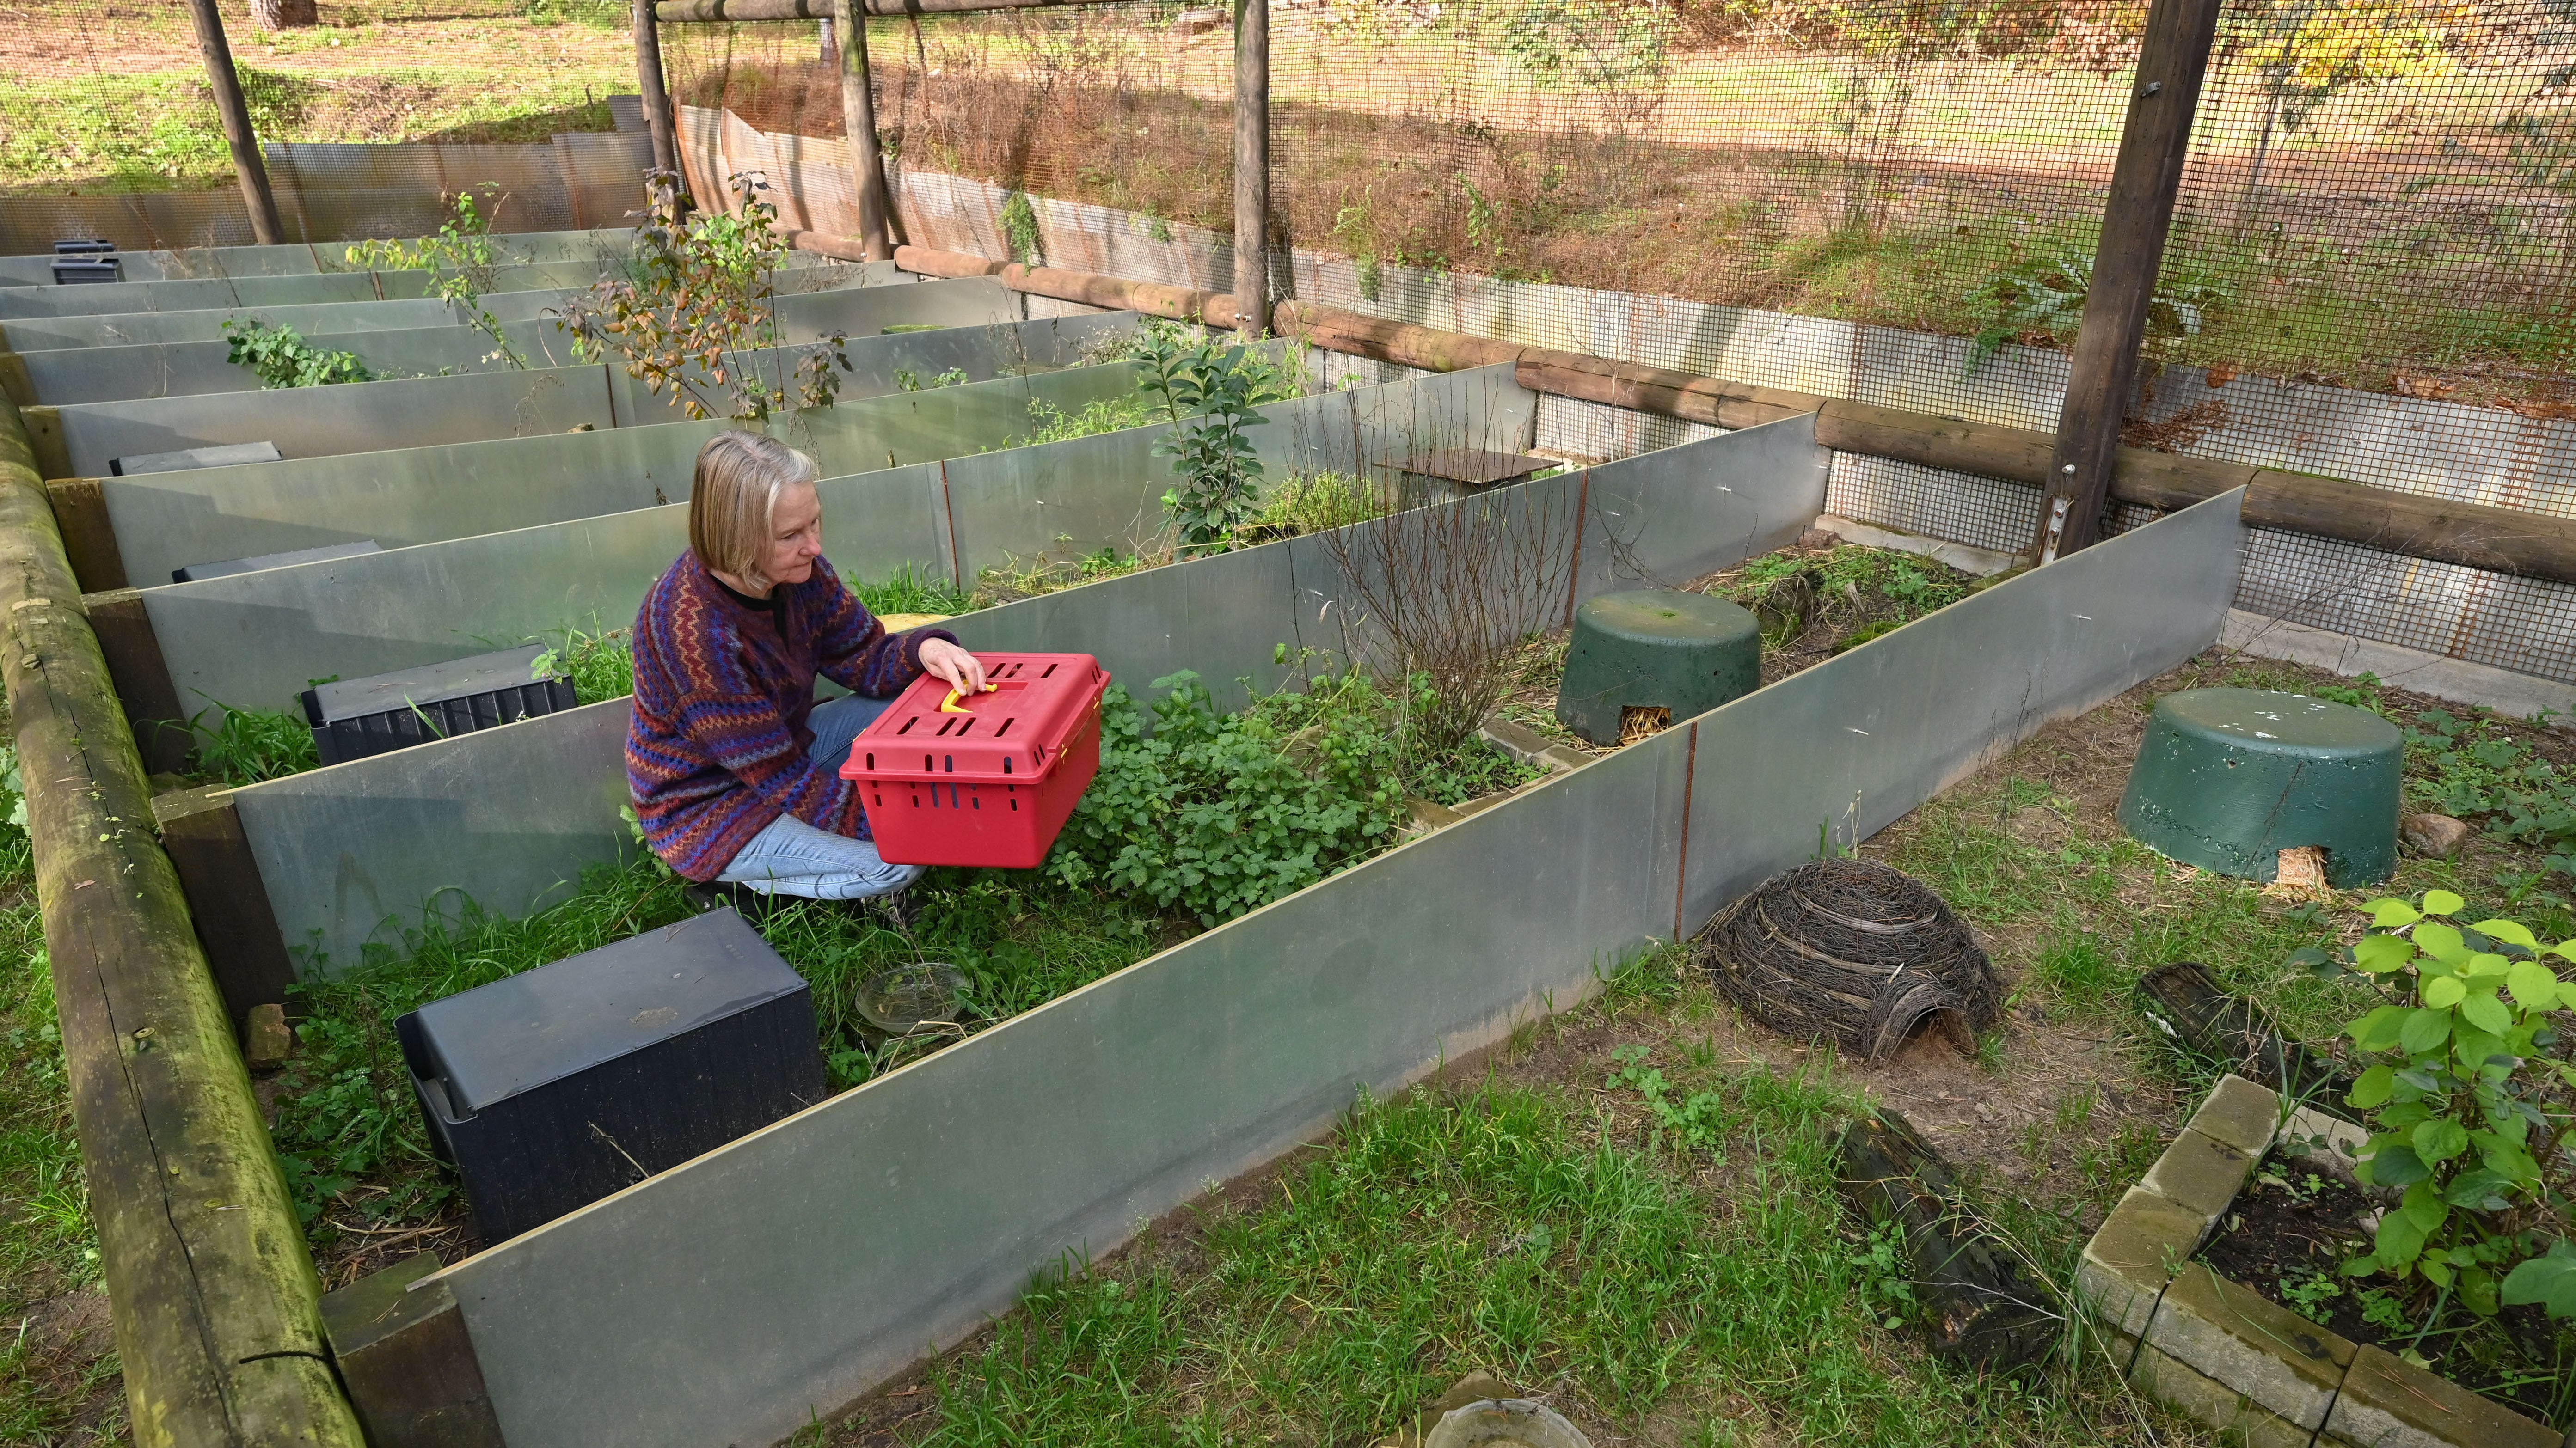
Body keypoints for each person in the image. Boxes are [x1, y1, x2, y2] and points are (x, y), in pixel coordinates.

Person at [626, 431, 986, 912]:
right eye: (791, 535)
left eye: (814, 523)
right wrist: (911, 824)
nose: (814, 546)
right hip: (714, 810)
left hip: (785, 749)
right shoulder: (691, 635)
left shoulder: (798, 573)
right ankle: (745, 891)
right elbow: (788, 782)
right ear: (736, 537)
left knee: (914, 700)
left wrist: (925, 652)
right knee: (897, 862)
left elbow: (864, 656)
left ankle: (828, 852)